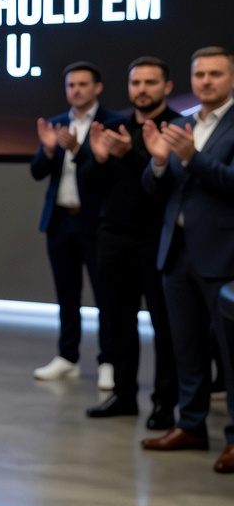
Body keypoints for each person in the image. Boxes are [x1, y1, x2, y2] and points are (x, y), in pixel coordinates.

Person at [140, 46, 234, 474]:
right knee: (186, 349)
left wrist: (193, 159)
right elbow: (154, 189)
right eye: (200, 75)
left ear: (230, 78)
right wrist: (159, 162)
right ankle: (191, 426)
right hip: (175, 253)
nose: (206, 82)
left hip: (223, 255)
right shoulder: (179, 123)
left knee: (231, 355)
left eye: (215, 74)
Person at [79, 57, 179, 427]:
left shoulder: (176, 126)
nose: (142, 90)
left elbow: (169, 183)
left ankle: (164, 404)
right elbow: (90, 182)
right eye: (136, 83)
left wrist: (132, 154)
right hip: (112, 237)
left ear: (166, 87)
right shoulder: (113, 124)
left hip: (156, 240)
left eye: (151, 83)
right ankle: (123, 395)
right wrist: (100, 159)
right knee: (117, 321)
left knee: (165, 326)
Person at [31, 61, 122, 382]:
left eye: (83, 84)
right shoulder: (56, 124)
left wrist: (79, 149)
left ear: (97, 87)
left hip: (97, 223)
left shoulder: (113, 123)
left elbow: (109, 174)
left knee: (106, 296)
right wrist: (48, 149)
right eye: (71, 85)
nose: (76, 90)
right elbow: (37, 172)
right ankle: (67, 356)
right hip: (60, 221)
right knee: (66, 294)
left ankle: (108, 362)